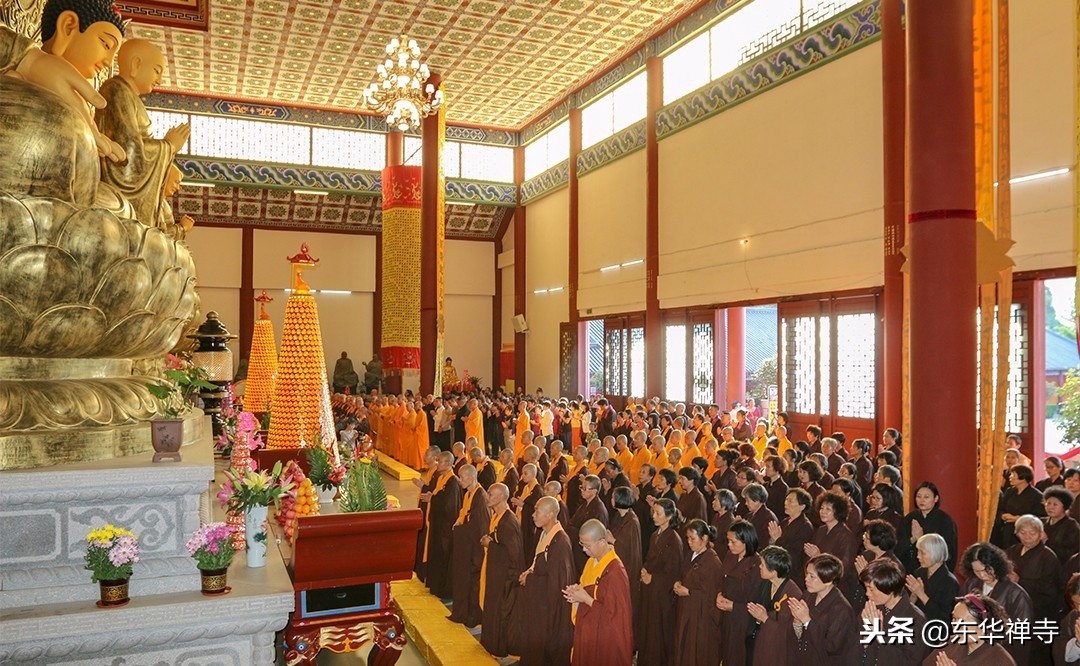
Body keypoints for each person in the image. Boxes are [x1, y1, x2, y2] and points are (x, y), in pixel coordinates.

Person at [518, 496, 575, 666]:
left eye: (537, 511)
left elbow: (557, 583)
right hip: (538, 602)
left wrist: (530, 579)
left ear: (550, 514)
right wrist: (529, 571)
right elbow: (539, 562)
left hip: (548, 607)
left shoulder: (560, 542)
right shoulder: (544, 533)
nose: (533, 515)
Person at [959, 542, 1033, 666]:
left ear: (997, 565)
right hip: (972, 650)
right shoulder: (971, 585)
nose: (982, 575)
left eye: (987, 570)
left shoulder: (1016, 595)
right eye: (977, 571)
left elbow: (1022, 637)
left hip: (1001, 654)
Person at [1006, 513, 1063, 664]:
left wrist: (1021, 581)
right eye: (1022, 533)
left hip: (1039, 611)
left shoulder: (1048, 557)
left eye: (1032, 533)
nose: (1027, 537)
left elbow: (1050, 588)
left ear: (1041, 534)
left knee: (1035, 654)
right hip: (1015, 609)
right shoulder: (1012, 551)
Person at [637, 498, 684, 665]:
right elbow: (650, 559)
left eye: (658, 513)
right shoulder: (654, 535)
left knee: (658, 636)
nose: (654, 516)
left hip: (662, 597)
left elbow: (674, 573)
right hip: (650, 592)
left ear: (669, 516)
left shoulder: (673, 540)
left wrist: (653, 579)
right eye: (653, 512)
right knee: (647, 631)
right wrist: (644, 569)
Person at [480, 483, 524, 658]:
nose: (487, 497)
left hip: (505, 578)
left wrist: (490, 544)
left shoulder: (508, 521)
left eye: (490, 494)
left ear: (500, 497)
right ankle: (490, 643)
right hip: (496, 573)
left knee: (501, 613)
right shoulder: (497, 516)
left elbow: (513, 554)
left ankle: (498, 648)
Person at [790, 553, 859, 664]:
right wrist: (797, 622)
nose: (806, 579)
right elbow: (800, 636)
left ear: (828, 580)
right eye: (807, 574)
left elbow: (832, 647)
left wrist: (807, 621)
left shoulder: (842, 609)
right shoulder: (808, 595)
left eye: (812, 576)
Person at [672, 519, 723, 666]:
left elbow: (712, 596)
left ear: (704, 538)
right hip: (687, 611)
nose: (689, 542)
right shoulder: (690, 555)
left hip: (701, 620)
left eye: (692, 538)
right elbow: (683, 574)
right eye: (687, 538)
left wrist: (688, 592)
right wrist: (678, 582)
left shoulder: (712, 562)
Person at [859, 558, 928, 665]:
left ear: (889, 589)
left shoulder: (917, 620)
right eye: (866, 588)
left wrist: (880, 635)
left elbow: (910, 662)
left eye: (871, 589)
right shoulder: (874, 607)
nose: (867, 593)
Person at [921, 594, 1017, 665]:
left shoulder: (1000, 660)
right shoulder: (950, 642)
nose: (955, 626)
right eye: (954, 619)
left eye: (963, 622)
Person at [716, 519, 762, 666]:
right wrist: (719, 594)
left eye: (733, 542)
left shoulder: (757, 564)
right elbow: (722, 579)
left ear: (746, 541)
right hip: (727, 616)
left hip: (744, 620)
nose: (729, 545)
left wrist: (734, 607)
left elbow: (757, 599)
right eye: (728, 541)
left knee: (739, 657)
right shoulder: (730, 555)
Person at [449, 464, 489, 628]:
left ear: (472, 477)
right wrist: (458, 524)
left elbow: (479, 527)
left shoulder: (480, 496)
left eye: (463, 477)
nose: (460, 480)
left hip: (475, 549)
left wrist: (460, 530)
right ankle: (462, 612)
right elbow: (464, 515)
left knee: (473, 583)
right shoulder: (468, 494)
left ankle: (472, 616)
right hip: (466, 547)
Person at [748, 545, 802, 663]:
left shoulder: (793, 594)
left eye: (762, 564)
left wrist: (765, 618)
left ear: (773, 571)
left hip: (780, 650)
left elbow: (791, 632)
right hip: (763, 640)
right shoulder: (766, 583)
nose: (759, 567)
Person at [421, 451, 463, 599]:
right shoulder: (442, 479)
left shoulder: (452, 482)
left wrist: (433, 499)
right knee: (435, 555)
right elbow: (439, 497)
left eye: (440, 461)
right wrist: (431, 498)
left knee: (443, 558)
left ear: (448, 463)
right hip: (437, 525)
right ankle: (434, 585)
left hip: (445, 528)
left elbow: (450, 507)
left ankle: (442, 589)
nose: (438, 464)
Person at [896, 481, 959, 573]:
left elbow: (949, 551)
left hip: (933, 570)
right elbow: (898, 545)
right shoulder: (910, 518)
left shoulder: (945, 521)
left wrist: (922, 538)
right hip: (910, 569)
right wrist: (912, 539)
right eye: (918, 496)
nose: (922, 500)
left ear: (936, 498)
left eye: (926, 497)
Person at [805, 492, 858, 602]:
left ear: (838, 512)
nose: (823, 512)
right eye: (822, 508)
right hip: (816, 581)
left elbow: (844, 568)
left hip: (835, 587)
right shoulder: (821, 530)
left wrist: (818, 556)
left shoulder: (846, 536)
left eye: (828, 509)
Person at [904, 533, 959, 624]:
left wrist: (921, 594)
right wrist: (914, 595)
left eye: (923, 553)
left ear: (935, 553)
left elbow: (944, 618)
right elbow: (911, 606)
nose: (918, 556)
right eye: (918, 552)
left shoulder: (950, 582)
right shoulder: (920, 572)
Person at [768, 487, 815, 590]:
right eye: (786, 499)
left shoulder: (805, 527)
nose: (786, 503)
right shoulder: (785, 521)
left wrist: (777, 540)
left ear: (802, 506)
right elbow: (774, 541)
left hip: (793, 574)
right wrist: (772, 540)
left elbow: (795, 554)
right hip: (777, 568)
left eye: (790, 501)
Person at [608, 486, 642, 623]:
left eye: (613, 497)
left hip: (626, 568)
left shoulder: (632, 522)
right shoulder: (619, 516)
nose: (611, 499)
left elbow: (629, 550)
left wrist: (613, 540)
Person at [992, 463, 1045, 549]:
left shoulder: (1036, 495)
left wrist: (1018, 518)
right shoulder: (1010, 491)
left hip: (1024, 533)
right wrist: (1003, 516)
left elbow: (1040, 516)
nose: (1010, 477)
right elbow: (1001, 508)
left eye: (1014, 475)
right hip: (1006, 529)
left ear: (1023, 477)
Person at [567, 475, 609, 575]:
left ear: (594, 491)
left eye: (585, 488)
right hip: (577, 548)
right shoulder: (584, 504)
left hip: (587, 552)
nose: (582, 490)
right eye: (581, 487)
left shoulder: (598, 509)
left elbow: (595, 536)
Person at [512, 463, 544, 562]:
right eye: (522, 474)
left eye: (526, 474)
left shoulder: (537, 490)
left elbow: (536, 508)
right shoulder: (526, 487)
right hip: (522, 522)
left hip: (530, 526)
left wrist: (523, 505)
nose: (523, 476)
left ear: (533, 474)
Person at [1043, 486, 1080, 565]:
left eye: (1055, 504)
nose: (1050, 507)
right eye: (1048, 503)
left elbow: (1069, 554)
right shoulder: (1042, 522)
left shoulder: (1072, 526)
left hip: (1061, 566)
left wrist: (1046, 541)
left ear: (1065, 507)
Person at [1053, 573, 1080, 666]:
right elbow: (1059, 651)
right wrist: (1077, 644)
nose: (1079, 609)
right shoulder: (1072, 617)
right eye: (1076, 603)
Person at [742, 482, 778, 549]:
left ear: (757, 500)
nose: (746, 503)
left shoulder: (768, 519)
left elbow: (764, 544)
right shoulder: (748, 516)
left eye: (748, 500)